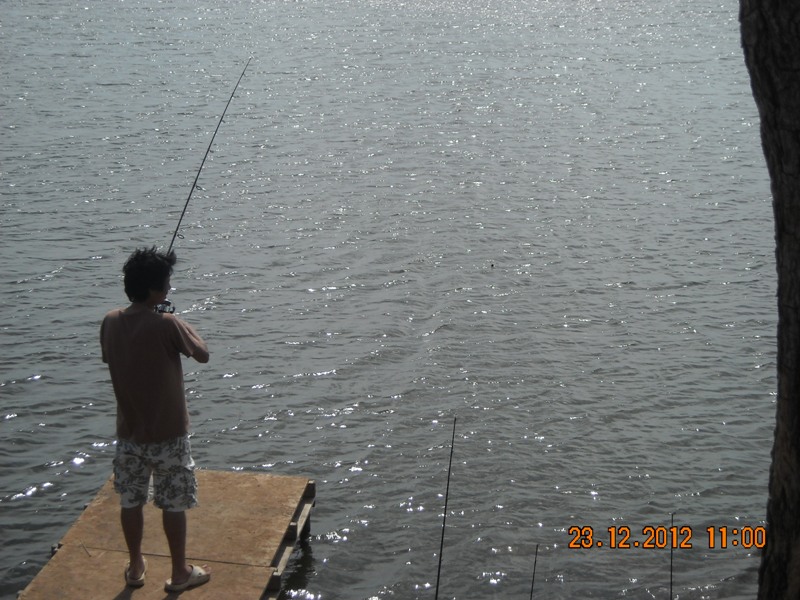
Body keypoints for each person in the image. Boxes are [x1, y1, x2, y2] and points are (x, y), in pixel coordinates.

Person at [100, 246, 211, 592]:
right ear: (156, 289)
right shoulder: (168, 324)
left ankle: (135, 568)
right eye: (166, 282)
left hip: (129, 434)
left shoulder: (111, 321)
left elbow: (114, 357)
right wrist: (175, 319)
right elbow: (203, 354)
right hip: (169, 435)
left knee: (130, 500)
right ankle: (179, 573)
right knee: (173, 502)